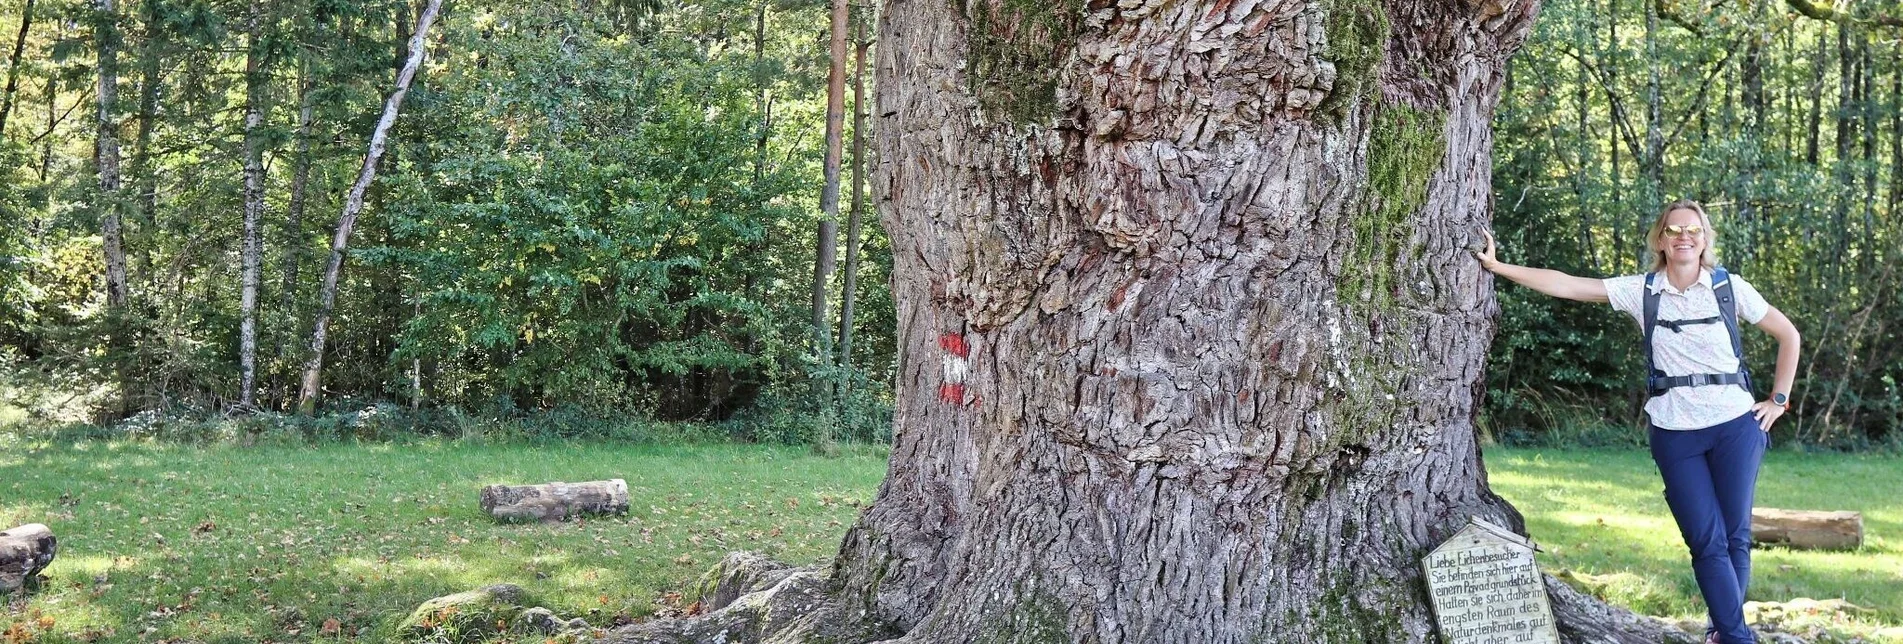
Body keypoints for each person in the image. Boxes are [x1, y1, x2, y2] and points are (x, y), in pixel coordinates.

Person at [1472, 199, 1802, 644]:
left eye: (1693, 230)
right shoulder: (1642, 291)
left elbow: (1788, 335)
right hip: (1674, 430)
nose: (1684, 236)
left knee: (1736, 537)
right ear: (1661, 240)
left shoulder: (1729, 288)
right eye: (1673, 230)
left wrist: (1778, 400)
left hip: (1735, 427)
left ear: (1704, 240)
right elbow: (1569, 285)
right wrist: (1500, 267)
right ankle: (1738, 637)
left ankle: (1722, 631)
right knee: (1706, 541)